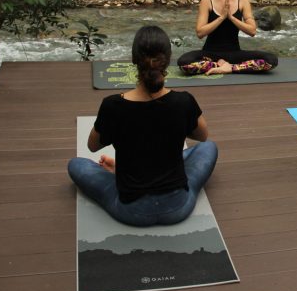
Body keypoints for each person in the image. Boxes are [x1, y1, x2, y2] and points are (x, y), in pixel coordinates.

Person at [68, 25, 218, 226]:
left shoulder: (113, 105)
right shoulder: (184, 101)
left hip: (131, 211)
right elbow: (202, 136)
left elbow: (93, 146)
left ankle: (126, 169)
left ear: (134, 60)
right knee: (209, 147)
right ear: (167, 59)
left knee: (76, 164)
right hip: (177, 206)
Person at [177, 0, 279, 75]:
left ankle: (230, 68)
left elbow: (252, 31)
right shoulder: (207, 1)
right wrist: (222, 17)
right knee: (184, 62)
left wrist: (231, 17)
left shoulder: (242, 0)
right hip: (210, 55)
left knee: (271, 60)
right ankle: (221, 65)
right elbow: (200, 33)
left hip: (235, 54)